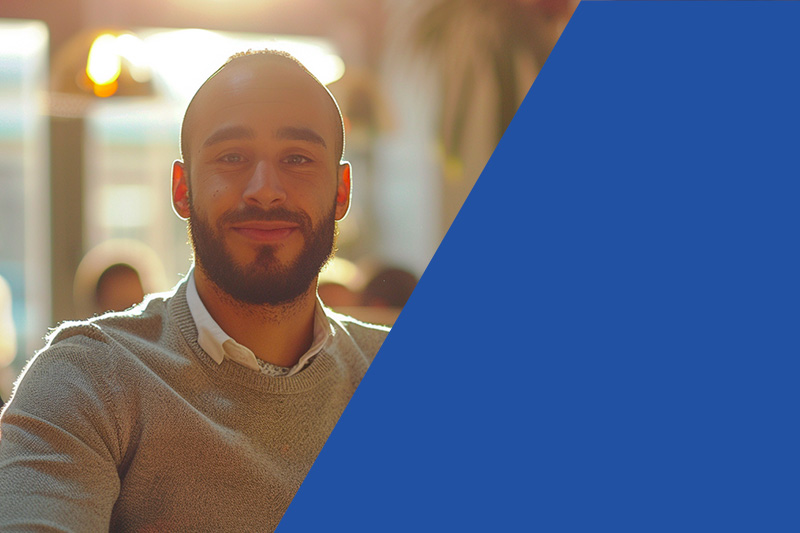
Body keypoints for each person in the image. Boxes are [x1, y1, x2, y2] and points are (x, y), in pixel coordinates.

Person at [0, 50, 390, 531]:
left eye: (297, 158)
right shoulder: (88, 380)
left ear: (342, 190)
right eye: (232, 157)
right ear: (182, 189)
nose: (265, 189)